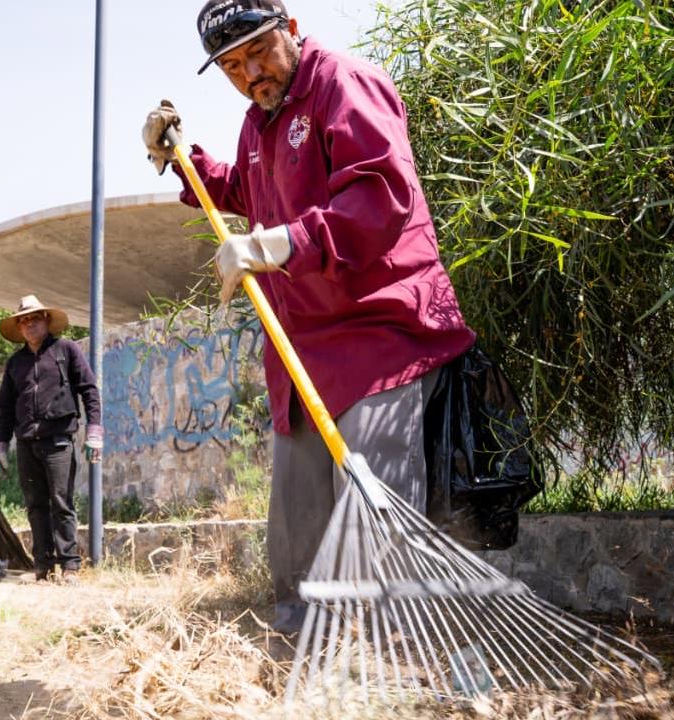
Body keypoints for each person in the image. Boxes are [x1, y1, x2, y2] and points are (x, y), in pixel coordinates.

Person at [141, 0, 477, 633]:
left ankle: (390, 647)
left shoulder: (343, 85)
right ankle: (297, 638)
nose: (249, 74)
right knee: (296, 520)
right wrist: (182, 160)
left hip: (378, 335)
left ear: (291, 31)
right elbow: (246, 189)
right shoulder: (258, 123)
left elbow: (380, 200)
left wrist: (273, 246)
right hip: (301, 348)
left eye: (259, 53)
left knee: (373, 506)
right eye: (232, 66)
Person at [0, 294, 103, 583]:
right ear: (19, 327)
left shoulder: (66, 350)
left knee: (61, 502)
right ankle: (42, 567)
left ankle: (70, 567)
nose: (29, 324)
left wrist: (94, 433)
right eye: (23, 320)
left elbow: (89, 390)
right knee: (35, 504)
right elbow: (5, 408)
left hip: (58, 441)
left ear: (46, 321)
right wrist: (1, 448)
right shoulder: (16, 363)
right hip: (27, 443)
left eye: (34, 318)